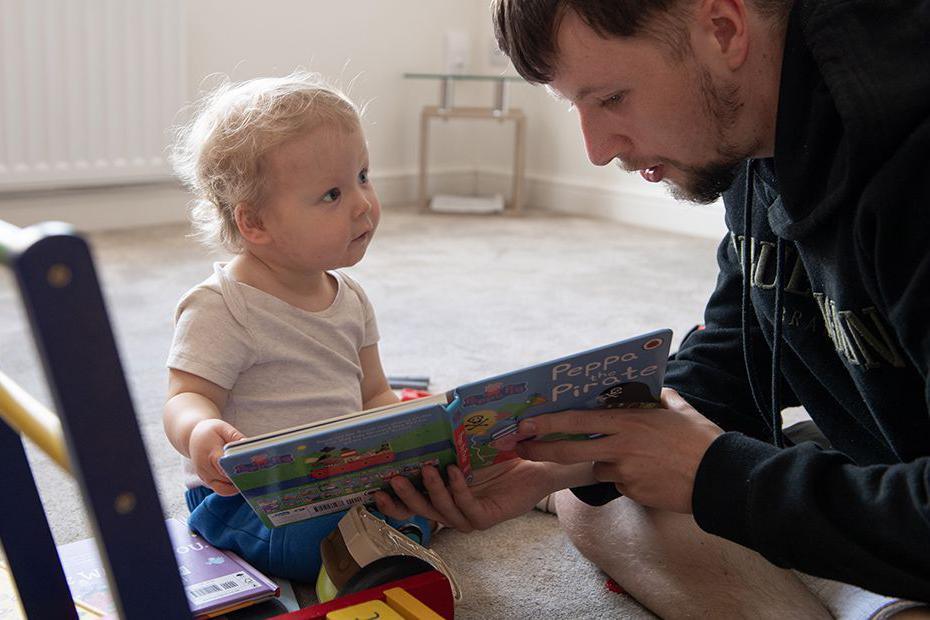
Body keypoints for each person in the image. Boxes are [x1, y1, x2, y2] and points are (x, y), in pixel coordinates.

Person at [374, 0, 930, 615]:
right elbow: (739, 350)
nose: (596, 148)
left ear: (723, 29)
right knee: (598, 502)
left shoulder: (910, 158)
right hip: (878, 458)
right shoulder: (758, 130)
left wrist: (717, 475)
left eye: (611, 99)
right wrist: (567, 457)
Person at [162, 71, 429, 583]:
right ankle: (374, 556)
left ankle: (384, 545)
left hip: (342, 478)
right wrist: (200, 430)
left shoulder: (350, 297)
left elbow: (373, 393)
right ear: (254, 224)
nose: (361, 203)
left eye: (363, 177)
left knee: (423, 489)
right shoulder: (223, 307)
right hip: (251, 500)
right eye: (331, 194)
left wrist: (405, 441)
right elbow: (183, 396)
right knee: (314, 538)